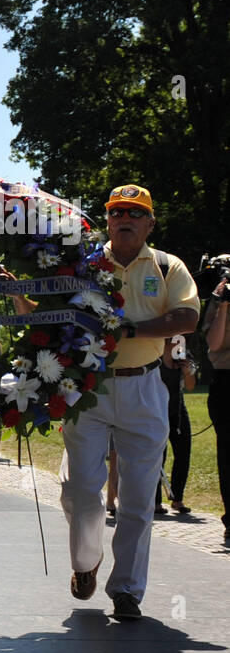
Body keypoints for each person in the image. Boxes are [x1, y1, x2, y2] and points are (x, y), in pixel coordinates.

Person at [59, 184, 198, 621]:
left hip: (145, 385)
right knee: (79, 491)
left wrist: (127, 331)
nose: (125, 219)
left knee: (139, 497)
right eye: (117, 211)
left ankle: (127, 591)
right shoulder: (84, 264)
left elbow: (188, 317)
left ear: (150, 223)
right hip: (89, 386)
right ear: (106, 220)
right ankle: (86, 562)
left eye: (135, 214)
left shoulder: (166, 265)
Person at [155, 336, 196, 515]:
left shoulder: (182, 355)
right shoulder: (154, 354)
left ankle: (177, 498)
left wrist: (188, 372)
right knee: (158, 456)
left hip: (177, 409)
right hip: (156, 410)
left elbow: (191, 387)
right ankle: (155, 501)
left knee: (183, 453)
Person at [203, 273, 230, 543]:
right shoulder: (220, 298)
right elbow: (214, 343)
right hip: (226, 381)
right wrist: (223, 304)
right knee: (227, 455)